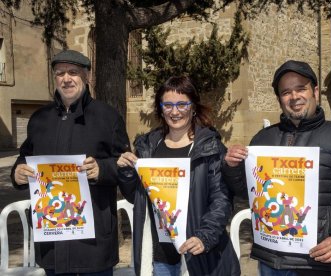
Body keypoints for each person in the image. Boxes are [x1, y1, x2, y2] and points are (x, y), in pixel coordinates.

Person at [222, 60, 331, 276]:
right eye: (286, 92)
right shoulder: (262, 139)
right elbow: (249, 194)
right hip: (270, 261)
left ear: (315, 91)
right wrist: (233, 167)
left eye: (301, 88)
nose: (294, 96)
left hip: (316, 262)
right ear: (280, 99)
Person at [10, 49, 130, 275]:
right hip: (53, 241)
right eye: (60, 73)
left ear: (87, 77)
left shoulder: (108, 117)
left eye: (73, 72)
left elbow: (126, 167)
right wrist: (17, 174)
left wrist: (102, 169)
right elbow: (25, 159)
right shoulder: (39, 119)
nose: (66, 79)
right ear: (54, 78)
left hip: (94, 241)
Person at [117, 76, 240, 276]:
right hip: (160, 257)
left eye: (182, 104)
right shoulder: (148, 146)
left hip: (198, 254)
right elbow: (136, 198)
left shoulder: (210, 147)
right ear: (160, 108)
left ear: (193, 108)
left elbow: (221, 199)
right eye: (168, 105)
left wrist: (204, 237)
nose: (175, 112)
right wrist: (126, 172)